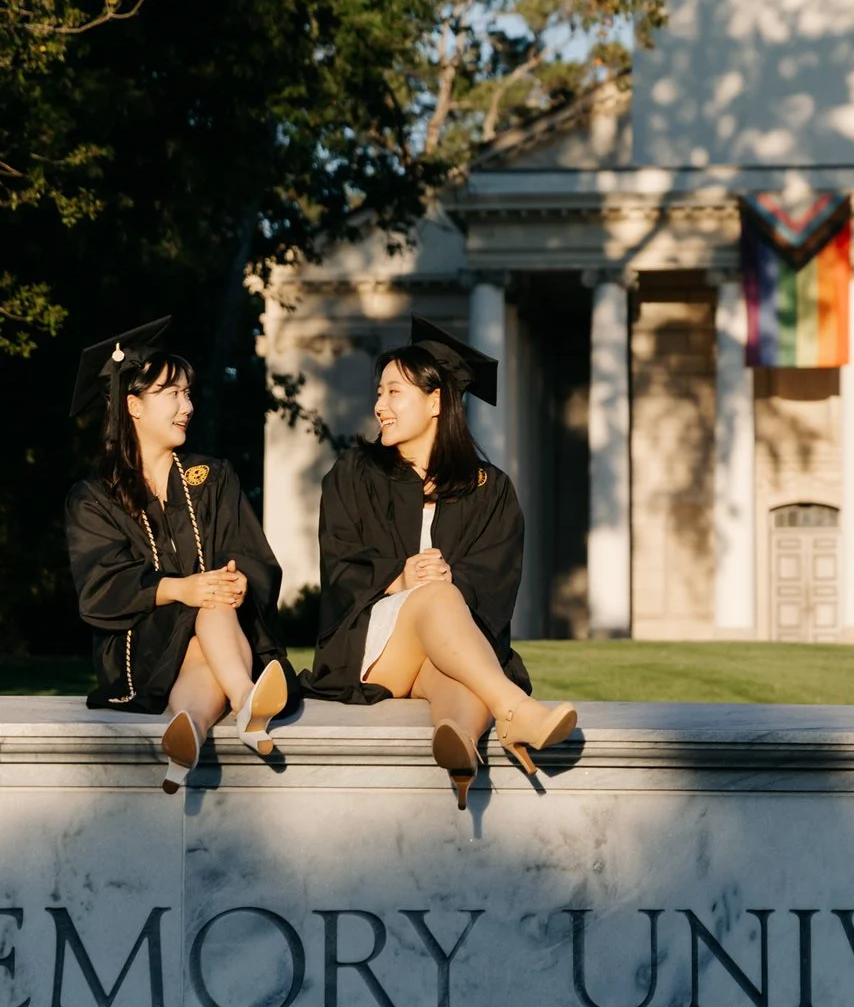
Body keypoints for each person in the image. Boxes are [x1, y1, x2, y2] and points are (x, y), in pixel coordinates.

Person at [305, 317, 576, 806]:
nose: (379, 405)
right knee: (436, 596)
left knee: (458, 673)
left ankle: (461, 747)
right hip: (369, 653)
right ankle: (515, 710)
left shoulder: (490, 489)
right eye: (379, 393)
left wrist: (454, 580)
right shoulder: (354, 473)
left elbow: (498, 577)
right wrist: (398, 577)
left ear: (436, 402)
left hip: (443, 650)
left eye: (394, 392)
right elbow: (338, 564)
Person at [64, 318, 295, 793]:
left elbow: (250, 553)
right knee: (206, 604)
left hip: (224, 634)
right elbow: (100, 587)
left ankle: (188, 728)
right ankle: (246, 699)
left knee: (213, 606)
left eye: (188, 394)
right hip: (140, 645)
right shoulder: (95, 498)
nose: (187, 406)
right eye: (172, 393)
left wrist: (239, 580)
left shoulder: (213, 477)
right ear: (134, 406)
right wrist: (181, 589)